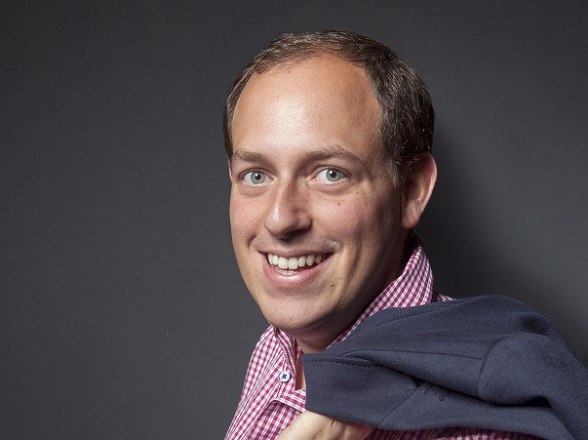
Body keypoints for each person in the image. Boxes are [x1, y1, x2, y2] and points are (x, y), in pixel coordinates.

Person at [222, 31, 587, 440]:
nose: (279, 218)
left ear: (412, 191)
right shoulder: (278, 350)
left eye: (330, 173)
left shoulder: (485, 423)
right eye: (256, 175)